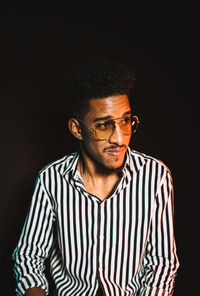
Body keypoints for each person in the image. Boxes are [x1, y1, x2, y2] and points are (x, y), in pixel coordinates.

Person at [12, 58, 179, 296]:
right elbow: (29, 256)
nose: (119, 138)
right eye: (104, 126)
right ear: (77, 129)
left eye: (125, 122)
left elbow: (161, 264)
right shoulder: (51, 179)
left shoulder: (155, 176)